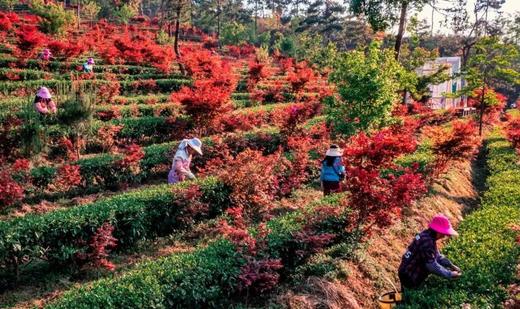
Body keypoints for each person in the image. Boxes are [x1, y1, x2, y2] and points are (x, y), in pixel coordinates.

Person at [398, 214, 462, 290]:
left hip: (407, 270)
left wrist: (451, 266)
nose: (444, 236)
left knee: (407, 295)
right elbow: (431, 265)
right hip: (410, 275)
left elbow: (437, 256)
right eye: (444, 233)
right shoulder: (427, 242)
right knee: (410, 296)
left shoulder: (427, 236)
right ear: (438, 231)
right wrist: (449, 274)